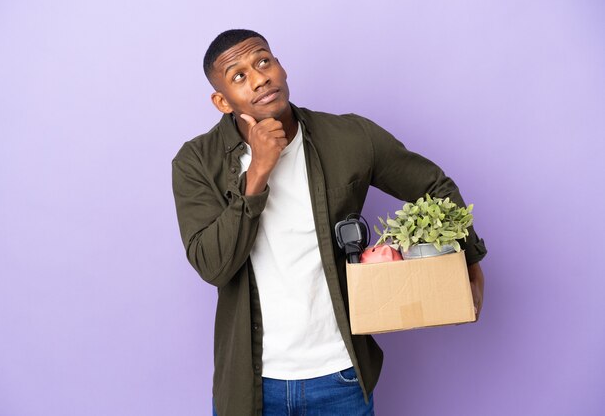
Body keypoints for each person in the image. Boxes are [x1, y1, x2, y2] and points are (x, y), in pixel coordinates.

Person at [172, 29, 487, 416]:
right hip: (251, 387)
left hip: (340, 375)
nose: (259, 78)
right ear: (222, 101)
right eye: (239, 76)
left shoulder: (349, 136)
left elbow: (433, 185)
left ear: (280, 67)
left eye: (264, 61)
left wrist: (469, 262)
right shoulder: (195, 162)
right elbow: (212, 265)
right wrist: (257, 172)